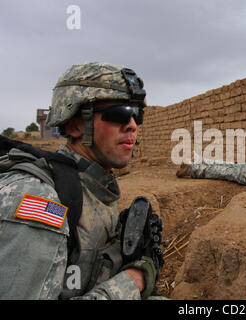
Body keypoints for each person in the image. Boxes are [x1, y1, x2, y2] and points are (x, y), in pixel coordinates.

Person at [0, 62, 159, 299]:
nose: (132, 125)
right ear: (75, 125)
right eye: (120, 113)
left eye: (137, 114)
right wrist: (132, 282)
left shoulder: (93, 185)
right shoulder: (39, 200)